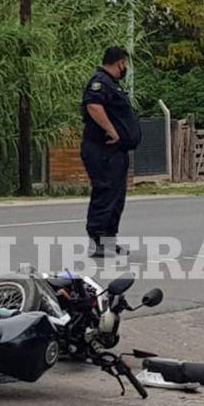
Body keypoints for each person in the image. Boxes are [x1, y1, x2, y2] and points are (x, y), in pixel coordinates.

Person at [81, 46, 141, 257]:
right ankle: (97, 240)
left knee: (116, 196)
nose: (126, 68)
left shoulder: (112, 85)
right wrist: (112, 131)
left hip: (116, 152)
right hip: (102, 149)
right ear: (120, 63)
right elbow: (93, 107)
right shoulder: (100, 83)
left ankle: (108, 239)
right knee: (105, 193)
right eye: (125, 64)